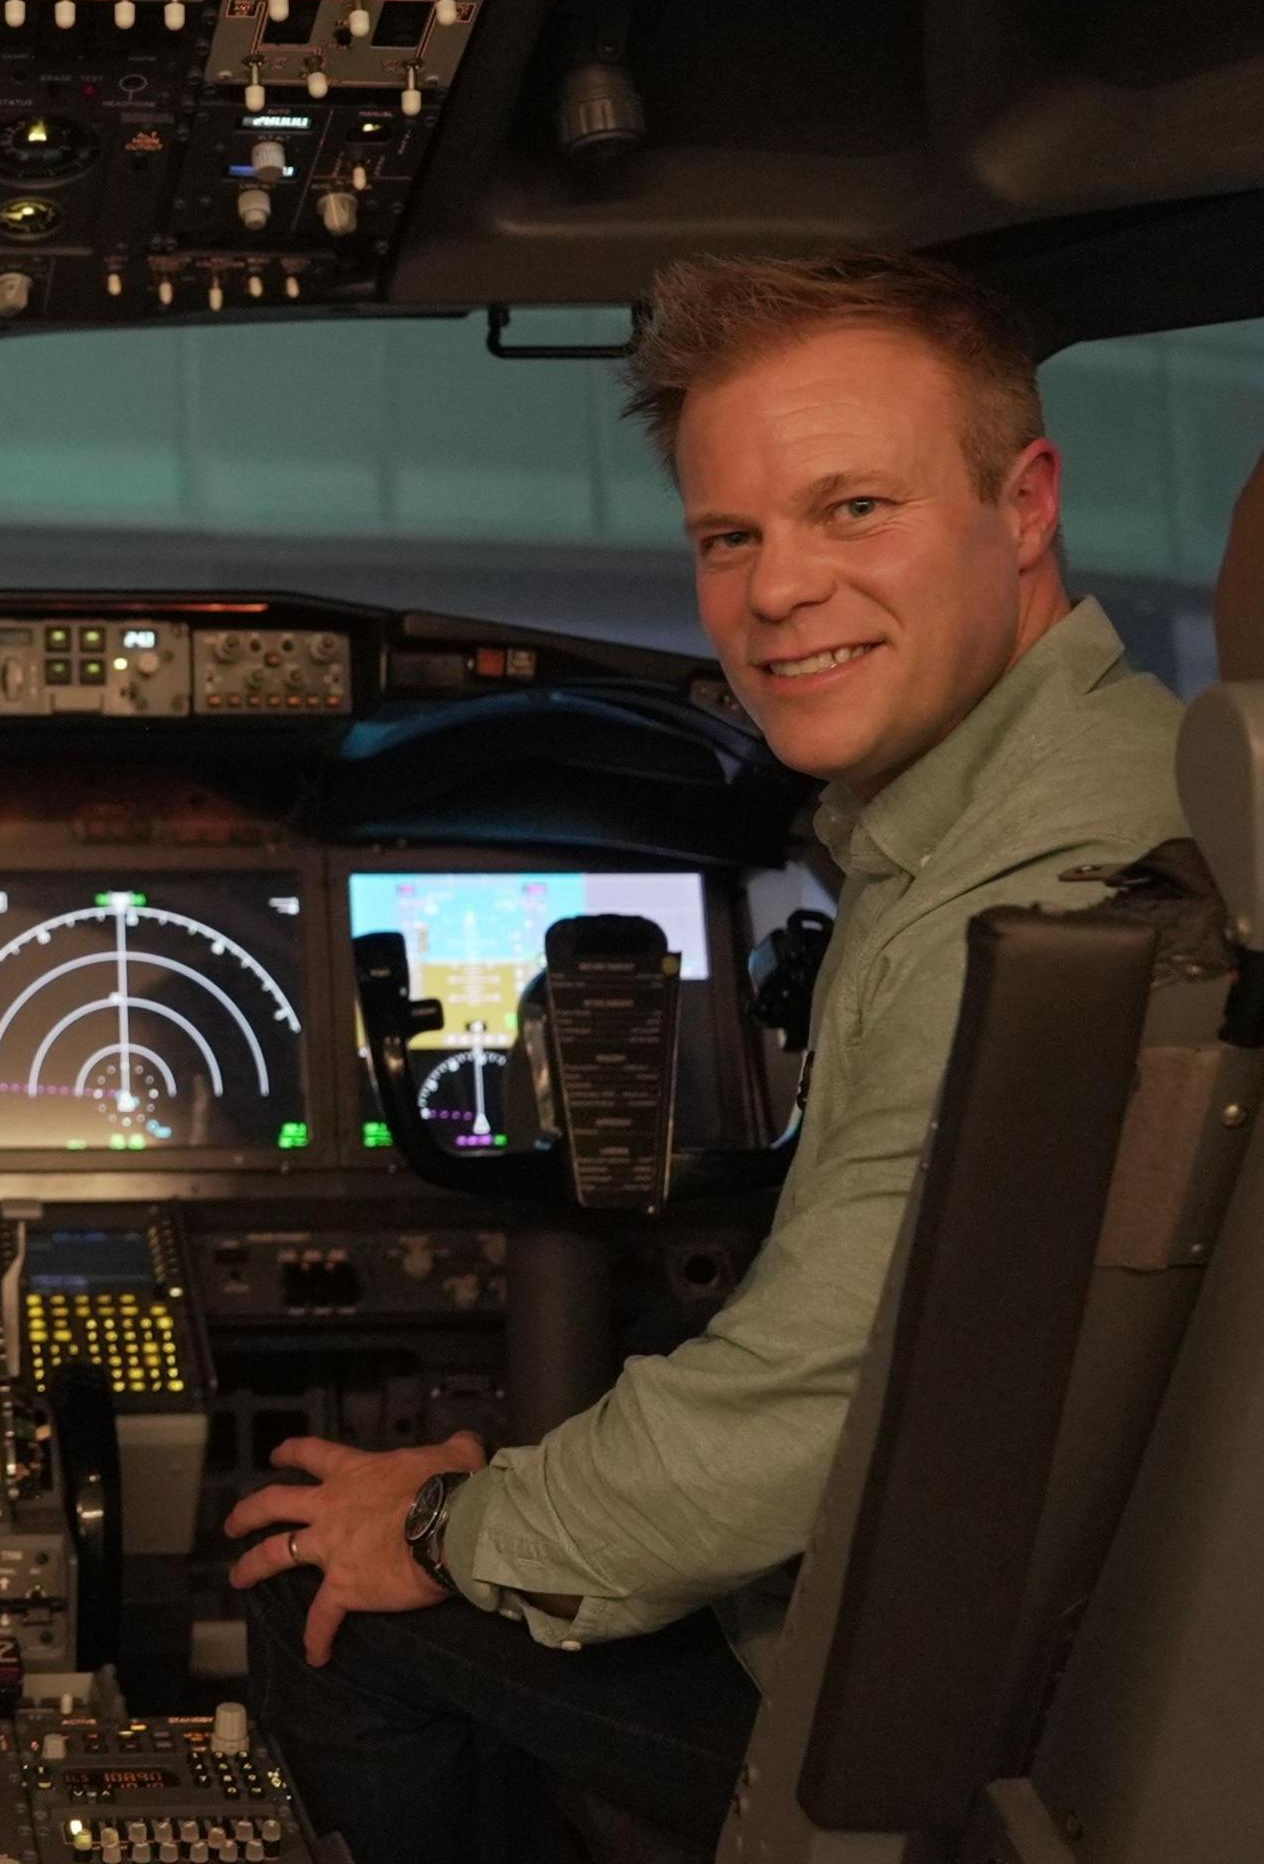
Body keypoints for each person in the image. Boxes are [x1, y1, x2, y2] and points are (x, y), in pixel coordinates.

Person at [225, 251, 1191, 1861]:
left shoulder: (1037, 892)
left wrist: (461, 1528)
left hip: (926, 1698)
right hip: (1034, 1617)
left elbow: (801, 1413)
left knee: (319, 1590)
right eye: (730, 538)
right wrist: (516, 1508)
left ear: (1026, 505)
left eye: (852, 510)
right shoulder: (1075, 793)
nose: (777, 590)